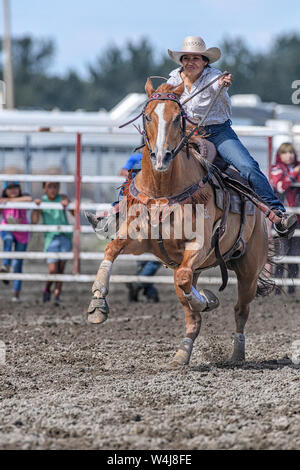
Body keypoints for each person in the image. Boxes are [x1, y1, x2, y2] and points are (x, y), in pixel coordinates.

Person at [166, 35, 297, 238]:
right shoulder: (173, 78)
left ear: (205, 62)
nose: (190, 62)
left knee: (247, 167)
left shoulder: (213, 77)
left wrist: (224, 82)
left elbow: (220, 83)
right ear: (181, 61)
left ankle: (277, 214)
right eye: (186, 58)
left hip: (218, 132)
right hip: (187, 133)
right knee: (156, 161)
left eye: (195, 58)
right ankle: (126, 209)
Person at [120, 153, 161, 303]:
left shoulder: (162, 156)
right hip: (142, 208)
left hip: (150, 208)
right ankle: (147, 290)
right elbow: (124, 172)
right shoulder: (137, 157)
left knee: (151, 254)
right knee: (152, 255)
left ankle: (140, 286)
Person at [31, 182, 73, 304]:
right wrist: (36, 208)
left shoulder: (63, 198)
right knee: (53, 270)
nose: (53, 190)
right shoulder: (42, 201)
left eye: (55, 187)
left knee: (61, 269)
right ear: (44, 189)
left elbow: (74, 214)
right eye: (50, 187)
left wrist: (68, 204)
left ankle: (57, 294)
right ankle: (47, 289)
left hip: (65, 236)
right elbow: (34, 221)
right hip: (51, 238)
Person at [270, 143, 300, 294]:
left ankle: (292, 288)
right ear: (280, 155)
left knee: (295, 255)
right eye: (285, 153)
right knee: (280, 254)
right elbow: (281, 186)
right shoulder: (276, 169)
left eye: (291, 153)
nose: (289, 156)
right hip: (280, 220)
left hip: (297, 220)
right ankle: (277, 288)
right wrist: (294, 173)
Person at [0, 181, 32, 302]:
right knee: (7, 239)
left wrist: (9, 201)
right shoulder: (2, 201)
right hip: (7, 230)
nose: (12, 190)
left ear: (19, 189)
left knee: (18, 264)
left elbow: (29, 199)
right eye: (9, 188)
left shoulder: (23, 198)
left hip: (22, 233)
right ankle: (6, 265)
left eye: (15, 188)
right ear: (5, 190)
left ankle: (16, 294)